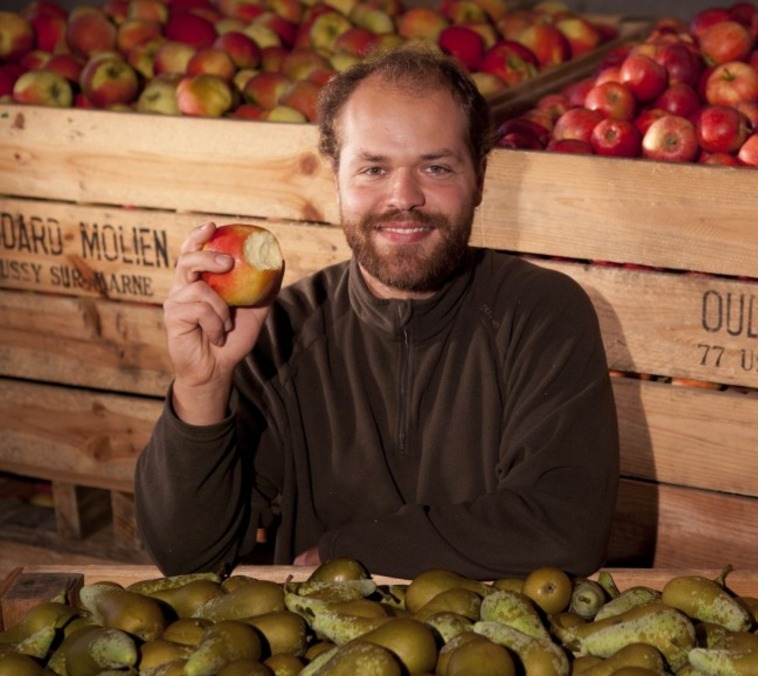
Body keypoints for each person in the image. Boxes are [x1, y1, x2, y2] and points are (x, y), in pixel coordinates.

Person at [134, 45, 619, 581]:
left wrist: (352, 552)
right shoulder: (281, 330)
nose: (403, 196)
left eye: (435, 167)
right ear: (335, 179)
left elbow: (564, 526)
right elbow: (189, 558)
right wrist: (202, 384)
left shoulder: (542, 313)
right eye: (373, 169)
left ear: (479, 178)